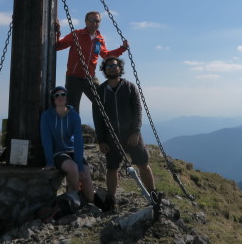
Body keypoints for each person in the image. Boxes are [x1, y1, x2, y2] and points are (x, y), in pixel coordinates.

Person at [93, 56, 157, 209]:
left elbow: (138, 110)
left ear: (120, 68)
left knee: (143, 163)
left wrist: (135, 132)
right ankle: (111, 198)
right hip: (111, 136)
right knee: (112, 167)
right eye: (108, 66)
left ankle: (153, 193)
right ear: (104, 70)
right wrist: (101, 140)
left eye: (115, 65)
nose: (112, 68)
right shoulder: (100, 91)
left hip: (131, 134)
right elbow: (97, 117)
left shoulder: (129, 87)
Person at [56, 11, 129, 114]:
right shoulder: (76, 34)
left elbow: (106, 55)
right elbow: (58, 46)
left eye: (97, 21)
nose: (94, 23)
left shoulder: (99, 39)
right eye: (91, 20)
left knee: (102, 103)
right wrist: (57, 32)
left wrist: (122, 48)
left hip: (90, 77)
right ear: (86, 21)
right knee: (72, 109)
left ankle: (104, 129)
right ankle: (74, 130)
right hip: (73, 78)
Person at [40, 85, 94, 204]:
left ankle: (87, 203)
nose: (60, 97)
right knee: (73, 169)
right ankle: (72, 200)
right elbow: (46, 140)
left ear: (66, 97)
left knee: (86, 178)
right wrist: (49, 162)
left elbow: (79, 141)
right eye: (57, 95)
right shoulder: (47, 116)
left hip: (72, 150)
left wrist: (80, 165)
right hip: (58, 152)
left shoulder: (74, 116)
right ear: (53, 99)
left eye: (63, 94)